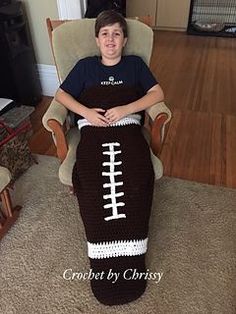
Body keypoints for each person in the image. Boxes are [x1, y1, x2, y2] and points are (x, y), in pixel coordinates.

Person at [55, 10, 164, 306]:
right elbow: (61, 96)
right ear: (97, 40)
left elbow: (157, 94)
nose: (111, 39)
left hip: (127, 129)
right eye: (105, 34)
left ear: (125, 39)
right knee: (91, 184)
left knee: (138, 179)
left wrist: (127, 109)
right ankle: (103, 263)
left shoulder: (135, 66)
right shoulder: (85, 67)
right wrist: (86, 112)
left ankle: (133, 259)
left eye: (116, 33)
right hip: (93, 130)